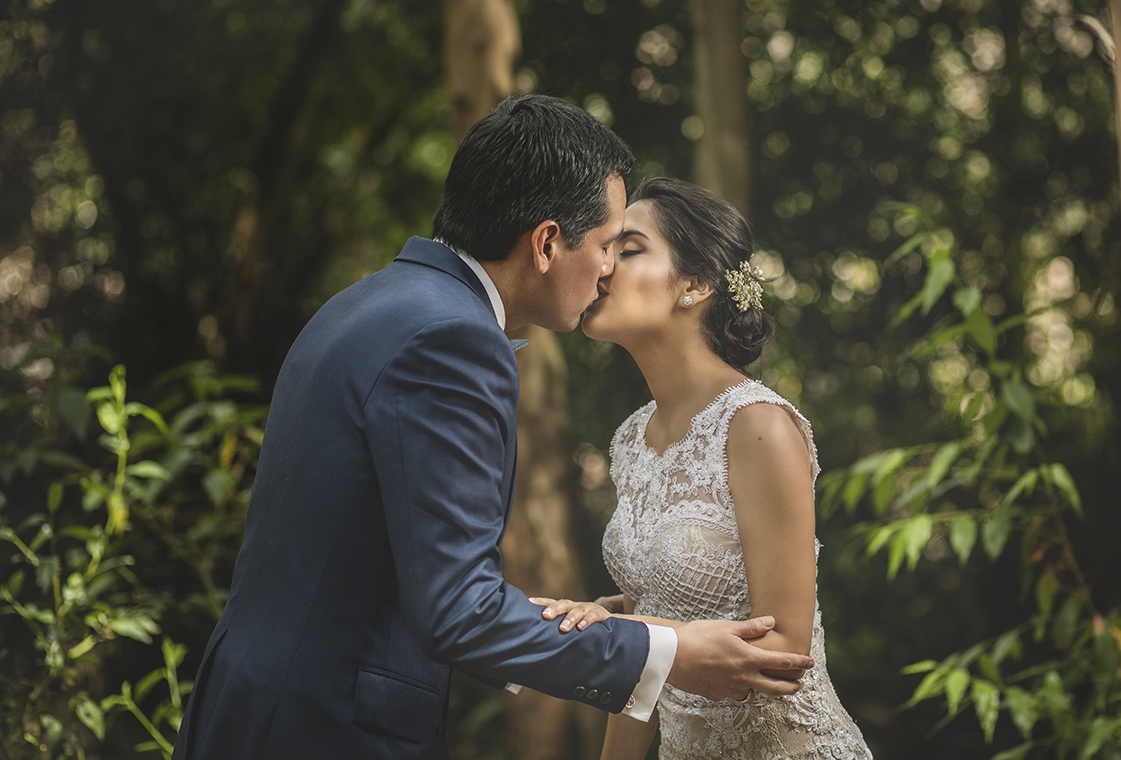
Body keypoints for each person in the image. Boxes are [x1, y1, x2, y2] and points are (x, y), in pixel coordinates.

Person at [171, 97, 815, 760]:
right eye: (605, 246)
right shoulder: (453, 340)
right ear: (546, 243)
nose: (606, 269)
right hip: (320, 729)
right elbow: (458, 609)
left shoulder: (370, 302)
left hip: (258, 707)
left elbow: (410, 572)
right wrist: (663, 648)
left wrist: (615, 626)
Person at [533, 177, 872, 760]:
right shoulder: (631, 440)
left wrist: (621, 632)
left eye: (627, 249)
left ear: (695, 285)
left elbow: (783, 653)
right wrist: (623, 626)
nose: (603, 266)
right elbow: (646, 660)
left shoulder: (759, 427)